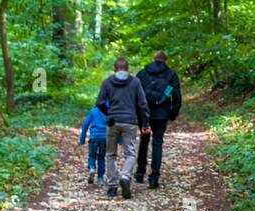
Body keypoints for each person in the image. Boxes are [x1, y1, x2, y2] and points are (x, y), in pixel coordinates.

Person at [95, 57, 150, 199]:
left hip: (113, 122)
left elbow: (99, 103)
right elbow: (142, 104)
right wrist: (145, 123)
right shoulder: (135, 82)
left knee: (111, 154)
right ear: (128, 69)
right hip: (130, 122)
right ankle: (125, 177)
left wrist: (109, 113)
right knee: (130, 153)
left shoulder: (107, 82)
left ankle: (112, 187)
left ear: (114, 68)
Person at [135, 51, 182, 189]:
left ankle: (139, 172)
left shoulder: (142, 74)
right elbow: (177, 96)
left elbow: (136, 94)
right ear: (165, 61)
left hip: (144, 114)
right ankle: (154, 177)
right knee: (157, 143)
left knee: (144, 141)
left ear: (153, 59)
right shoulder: (171, 75)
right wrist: (173, 113)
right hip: (162, 114)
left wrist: (137, 112)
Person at [78, 104, 108, 186]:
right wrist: (119, 140)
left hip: (93, 137)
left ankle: (92, 168)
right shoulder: (109, 112)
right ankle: (100, 179)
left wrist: (82, 140)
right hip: (104, 138)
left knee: (92, 156)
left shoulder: (93, 111)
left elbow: (85, 125)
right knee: (101, 157)